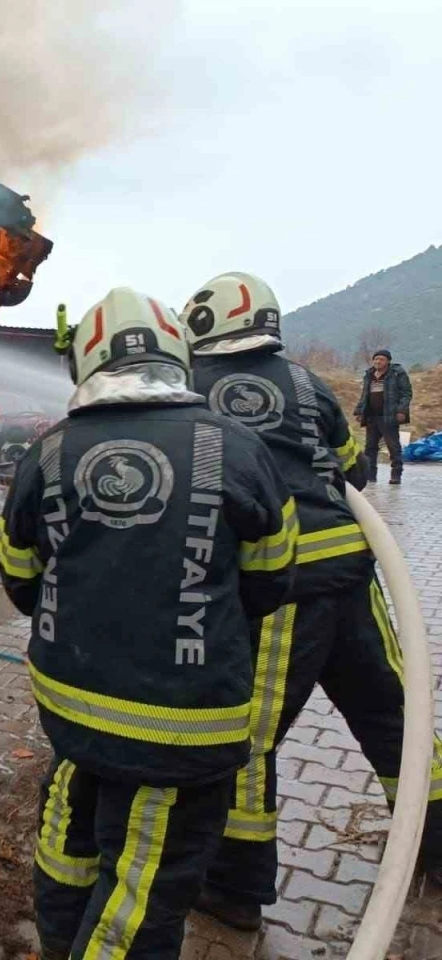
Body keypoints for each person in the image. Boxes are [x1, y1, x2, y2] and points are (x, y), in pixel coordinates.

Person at [0, 287, 296, 960]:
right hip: (185, 727)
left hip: (73, 713)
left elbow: (18, 575)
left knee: (70, 840)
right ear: (180, 354)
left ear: (89, 359)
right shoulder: (239, 449)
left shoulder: (47, 454)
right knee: (144, 888)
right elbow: (272, 579)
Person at [180, 272, 442, 932]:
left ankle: (236, 887)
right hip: (353, 573)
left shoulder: (193, 390)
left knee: (250, 737)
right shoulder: (306, 383)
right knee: (395, 714)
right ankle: (437, 845)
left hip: (281, 586)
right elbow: (351, 466)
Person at [354, 348, 413, 485]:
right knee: (370, 447)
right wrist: (359, 411)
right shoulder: (369, 375)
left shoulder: (397, 373)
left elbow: (406, 393)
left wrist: (401, 411)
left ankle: (396, 475)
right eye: (376, 359)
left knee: (393, 446)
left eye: (381, 359)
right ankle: (370, 476)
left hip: (389, 416)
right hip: (372, 416)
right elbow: (364, 395)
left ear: (388, 361)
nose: (378, 361)